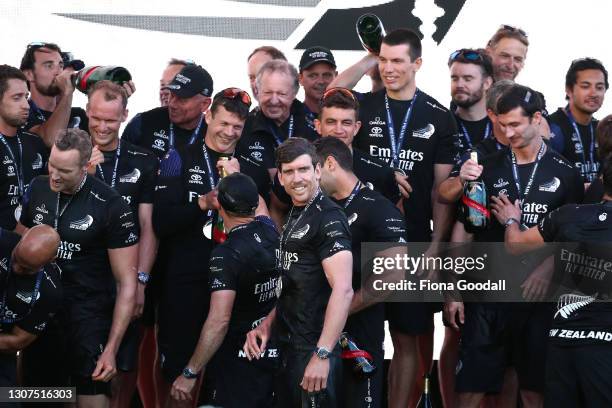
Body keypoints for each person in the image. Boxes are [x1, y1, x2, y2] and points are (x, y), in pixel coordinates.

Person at [329, 28, 460, 407]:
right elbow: (331, 94)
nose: (389, 69)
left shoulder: (438, 116)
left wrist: (436, 248)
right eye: (383, 61)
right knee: (350, 328)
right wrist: (371, 55)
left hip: (412, 240)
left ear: (417, 64)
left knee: (407, 337)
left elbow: (441, 193)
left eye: (397, 61)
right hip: (356, 238)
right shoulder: (364, 106)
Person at [447, 84, 583, 408]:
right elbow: (465, 230)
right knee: (471, 384)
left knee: (534, 387)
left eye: (515, 124)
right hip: (487, 292)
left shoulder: (566, 174)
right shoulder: (487, 166)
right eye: (502, 125)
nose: (507, 132)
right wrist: (452, 288)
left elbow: (575, 239)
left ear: (536, 119)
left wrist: (548, 269)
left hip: (538, 298)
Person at [153, 87, 269, 404]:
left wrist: (243, 187)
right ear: (208, 117)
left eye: (237, 127)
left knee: (223, 376)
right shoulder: (177, 158)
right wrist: (202, 203)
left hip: (236, 284)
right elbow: (161, 223)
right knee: (175, 373)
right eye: (224, 123)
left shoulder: (251, 170)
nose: (229, 133)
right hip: (187, 280)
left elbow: (268, 228)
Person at [18, 128, 138, 407]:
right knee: (36, 399)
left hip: (88, 317)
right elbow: (22, 248)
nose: (55, 176)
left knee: (91, 399)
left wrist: (111, 349)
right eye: (52, 165)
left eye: (65, 170)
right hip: (42, 315)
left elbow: (126, 284)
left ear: (86, 167)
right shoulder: (38, 187)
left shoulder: (112, 205)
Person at [489, 154, 612, 408]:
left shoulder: (568, 216)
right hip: (605, 348)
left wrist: (512, 219)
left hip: (561, 343)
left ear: (602, 180)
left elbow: (515, 245)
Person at [244, 138, 353, 407]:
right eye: (289, 172)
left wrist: (322, 354)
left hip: (313, 350)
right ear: (279, 178)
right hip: (289, 346)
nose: (297, 178)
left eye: (303, 170)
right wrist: (269, 321)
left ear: (317, 171)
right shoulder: (296, 212)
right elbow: (293, 280)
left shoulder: (328, 217)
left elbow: (344, 289)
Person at [170, 173, 279, 408]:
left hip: (238, 359)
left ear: (218, 203)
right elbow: (257, 200)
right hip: (273, 350)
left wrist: (190, 373)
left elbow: (219, 320)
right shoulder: (270, 229)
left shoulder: (226, 254)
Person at [315, 136, 406, 408]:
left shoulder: (378, 207)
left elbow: (393, 276)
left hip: (360, 334)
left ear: (329, 164)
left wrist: (340, 312)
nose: (311, 178)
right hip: (316, 332)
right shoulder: (319, 206)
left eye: (314, 169)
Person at [85, 80, 159, 407]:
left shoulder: (142, 160)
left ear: (125, 116)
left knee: (121, 365)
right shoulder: (72, 151)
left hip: (125, 279)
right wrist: (84, 172)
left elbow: (147, 225)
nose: (102, 127)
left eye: (110, 120)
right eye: (96, 118)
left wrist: (141, 280)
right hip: (80, 277)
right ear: (86, 112)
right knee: (75, 369)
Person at [19, 42, 135, 147]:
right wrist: (67, 93)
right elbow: (52, 140)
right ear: (29, 74)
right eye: (49, 65)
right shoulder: (22, 112)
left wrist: (117, 100)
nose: (59, 72)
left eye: (60, 65)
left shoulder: (78, 114)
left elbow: (106, 144)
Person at [237, 60, 319, 182]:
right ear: (257, 92)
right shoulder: (242, 127)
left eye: (281, 94)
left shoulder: (314, 126)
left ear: (294, 93)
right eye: (268, 92)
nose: (274, 101)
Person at [0, 225, 61, 389]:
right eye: (16, 258)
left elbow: (18, 341)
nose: (16, 268)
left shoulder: (50, 292)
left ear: (51, 259)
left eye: (26, 268)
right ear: (23, 235)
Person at [122, 64, 213, 160]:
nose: (172, 104)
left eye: (182, 99)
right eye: (172, 95)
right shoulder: (143, 122)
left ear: (205, 104)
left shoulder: (216, 134)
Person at [0, 65, 48, 232]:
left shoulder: (35, 143)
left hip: (34, 243)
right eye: (17, 98)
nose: (26, 105)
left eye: (26, 97)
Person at [547, 58, 609, 183]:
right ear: (569, 90)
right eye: (585, 86)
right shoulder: (551, 127)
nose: (593, 93)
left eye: (599, 87)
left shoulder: (602, 128)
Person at [449, 48, 494, 152]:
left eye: (468, 79)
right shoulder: (441, 124)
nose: (459, 85)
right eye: (454, 78)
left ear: (487, 83)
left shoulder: (503, 125)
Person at [299, 46, 338, 132]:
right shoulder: (290, 115)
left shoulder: (349, 115)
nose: (320, 81)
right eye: (313, 75)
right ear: (300, 78)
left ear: (336, 76)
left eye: (326, 75)